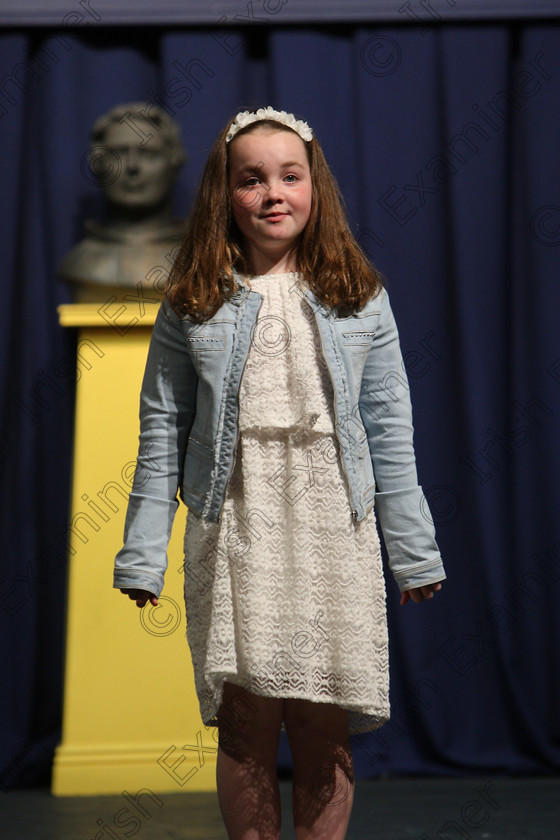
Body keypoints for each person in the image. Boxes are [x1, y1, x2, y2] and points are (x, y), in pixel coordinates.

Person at [113, 106, 446, 840]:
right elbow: (162, 432)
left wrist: (414, 551)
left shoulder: (360, 297)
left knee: (324, 717)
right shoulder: (194, 301)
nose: (273, 193)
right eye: (251, 179)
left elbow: (392, 434)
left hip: (333, 521)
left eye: (290, 176)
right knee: (246, 716)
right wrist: (142, 554)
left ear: (314, 187)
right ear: (222, 194)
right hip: (235, 522)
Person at [58, 102, 187, 301]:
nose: (132, 167)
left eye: (148, 154)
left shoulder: (195, 261)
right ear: (98, 165)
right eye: (118, 154)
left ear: (174, 162)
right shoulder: (80, 262)